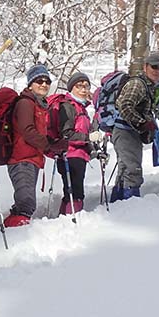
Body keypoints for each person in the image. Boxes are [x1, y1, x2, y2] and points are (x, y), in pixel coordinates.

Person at [3, 65, 66, 227]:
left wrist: (53, 145)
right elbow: (27, 131)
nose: (44, 84)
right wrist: (50, 145)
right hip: (21, 159)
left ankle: (13, 229)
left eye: (47, 81)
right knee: (26, 203)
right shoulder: (25, 103)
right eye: (39, 81)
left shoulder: (39, 105)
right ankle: (14, 234)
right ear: (30, 84)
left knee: (25, 202)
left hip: (32, 159)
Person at [110, 52, 159, 201]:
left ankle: (118, 202)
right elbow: (125, 105)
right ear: (145, 67)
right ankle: (130, 204)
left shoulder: (150, 86)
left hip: (128, 131)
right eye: (154, 66)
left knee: (125, 168)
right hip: (125, 131)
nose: (158, 71)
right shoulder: (138, 84)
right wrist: (141, 123)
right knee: (132, 169)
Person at [55, 72, 103, 215]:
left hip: (79, 155)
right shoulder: (68, 106)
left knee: (72, 191)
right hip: (70, 155)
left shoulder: (81, 108)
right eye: (79, 86)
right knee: (75, 193)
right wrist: (88, 137)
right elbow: (66, 134)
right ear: (71, 88)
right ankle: (71, 221)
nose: (83, 89)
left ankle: (65, 219)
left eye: (86, 86)